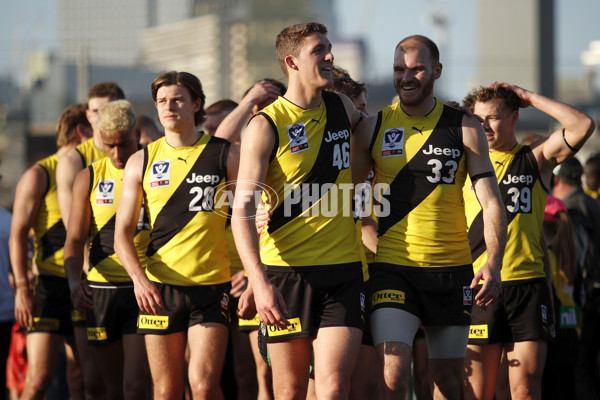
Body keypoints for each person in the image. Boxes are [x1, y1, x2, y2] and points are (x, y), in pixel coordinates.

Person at [351, 35, 507, 400]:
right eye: (398, 70)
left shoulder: (464, 126)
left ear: (437, 71)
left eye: (417, 69)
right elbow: (347, 198)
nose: (406, 77)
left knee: (448, 383)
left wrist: (494, 263)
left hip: (451, 272)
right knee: (393, 375)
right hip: (393, 268)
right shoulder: (371, 127)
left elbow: (492, 203)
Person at [232, 22, 365, 400]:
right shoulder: (265, 124)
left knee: (334, 386)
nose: (329, 56)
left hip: (343, 271)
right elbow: (241, 207)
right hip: (286, 276)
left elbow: (380, 134)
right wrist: (259, 283)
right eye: (318, 50)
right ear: (291, 61)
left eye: (329, 47)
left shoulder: (341, 105)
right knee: (289, 390)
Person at [460, 83, 595, 400]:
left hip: (529, 288)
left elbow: (583, 126)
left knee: (524, 391)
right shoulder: (464, 163)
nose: (485, 126)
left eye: (493, 117)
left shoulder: (535, 159)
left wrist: (532, 97)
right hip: (480, 286)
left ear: (513, 118)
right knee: (480, 392)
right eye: (478, 119)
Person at [114, 71, 239, 400]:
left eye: (178, 99)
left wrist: (253, 273)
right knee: (166, 389)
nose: (169, 107)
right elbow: (122, 235)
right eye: (162, 101)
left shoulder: (225, 154)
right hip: (159, 289)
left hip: (211, 285)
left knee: (203, 385)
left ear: (197, 104)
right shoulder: (141, 160)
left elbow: (251, 215)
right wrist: (139, 280)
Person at [64, 100, 152, 400]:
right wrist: (75, 281)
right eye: (109, 145)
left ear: (137, 134)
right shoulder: (88, 176)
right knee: (105, 388)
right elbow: (74, 239)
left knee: (137, 386)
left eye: (124, 144)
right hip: (101, 292)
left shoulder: (154, 167)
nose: (117, 154)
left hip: (142, 289)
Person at [9, 104, 92, 400]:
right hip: (49, 285)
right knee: (38, 379)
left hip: (84, 284)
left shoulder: (95, 168)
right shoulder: (40, 173)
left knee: (83, 379)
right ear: (83, 131)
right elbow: (17, 235)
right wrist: (21, 287)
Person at [552, 157, 600, 399]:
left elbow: (578, 258)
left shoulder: (569, 208)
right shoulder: (591, 203)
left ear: (557, 178)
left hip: (586, 296)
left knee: (580, 367)